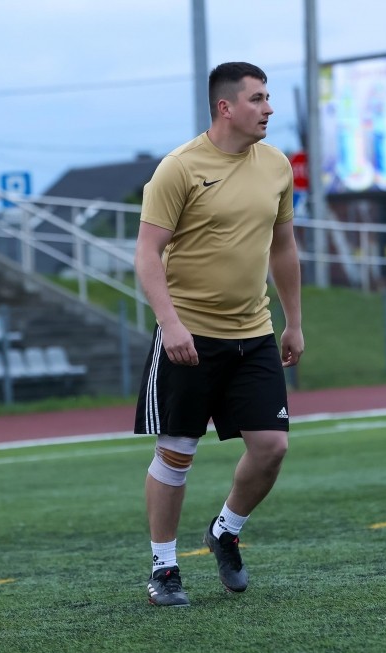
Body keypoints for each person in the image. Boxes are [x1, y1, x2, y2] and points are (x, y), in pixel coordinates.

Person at [134, 62, 304, 606]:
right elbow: (146, 253)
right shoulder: (179, 168)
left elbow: (283, 247)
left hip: (254, 333)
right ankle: (164, 568)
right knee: (177, 452)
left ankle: (225, 530)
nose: (269, 108)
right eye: (257, 99)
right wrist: (170, 324)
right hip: (190, 335)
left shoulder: (276, 165)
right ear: (225, 107)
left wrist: (294, 321)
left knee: (272, 448)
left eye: (268, 97)